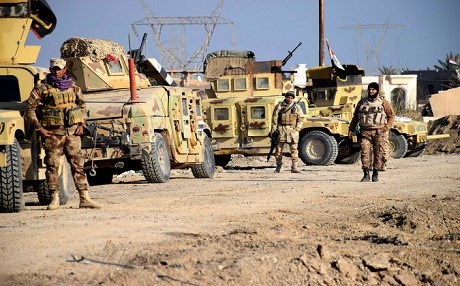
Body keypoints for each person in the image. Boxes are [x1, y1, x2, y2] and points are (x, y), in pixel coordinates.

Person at [26, 58, 101, 210]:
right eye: (53, 69)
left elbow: (82, 106)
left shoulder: (73, 88)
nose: (56, 71)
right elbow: (29, 109)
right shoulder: (42, 89)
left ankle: (84, 198)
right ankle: (54, 198)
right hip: (53, 134)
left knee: (78, 165)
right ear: (50, 69)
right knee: (53, 166)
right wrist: (39, 128)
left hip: (72, 133)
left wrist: (82, 123)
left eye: (59, 68)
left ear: (65, 69)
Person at [348, 82, 395, 182]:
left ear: (377, 91)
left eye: (373, 89)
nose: (371, 91)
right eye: (369, 89)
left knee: (378, 153)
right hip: (365, 132)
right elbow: (355, 117)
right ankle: (366, 174)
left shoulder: (383, 102)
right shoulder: (362, 103)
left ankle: (375, 174)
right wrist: (351, 129)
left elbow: (391, 116)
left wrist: (386, 127)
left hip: (379, 132)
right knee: (365, 152)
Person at [271, 91, 304, 173]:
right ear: (285, 97)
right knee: (278, 150)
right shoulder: (279, 106)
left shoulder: (297, 107)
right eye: (288, 97)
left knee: (294, 149)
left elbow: (301, 119)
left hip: (292, 130)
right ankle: (279, 166)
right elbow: (274, 118)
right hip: (281, 129)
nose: (289, 99)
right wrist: (274, 129)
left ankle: (294, 166)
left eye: (291, 98)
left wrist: (297, 129)